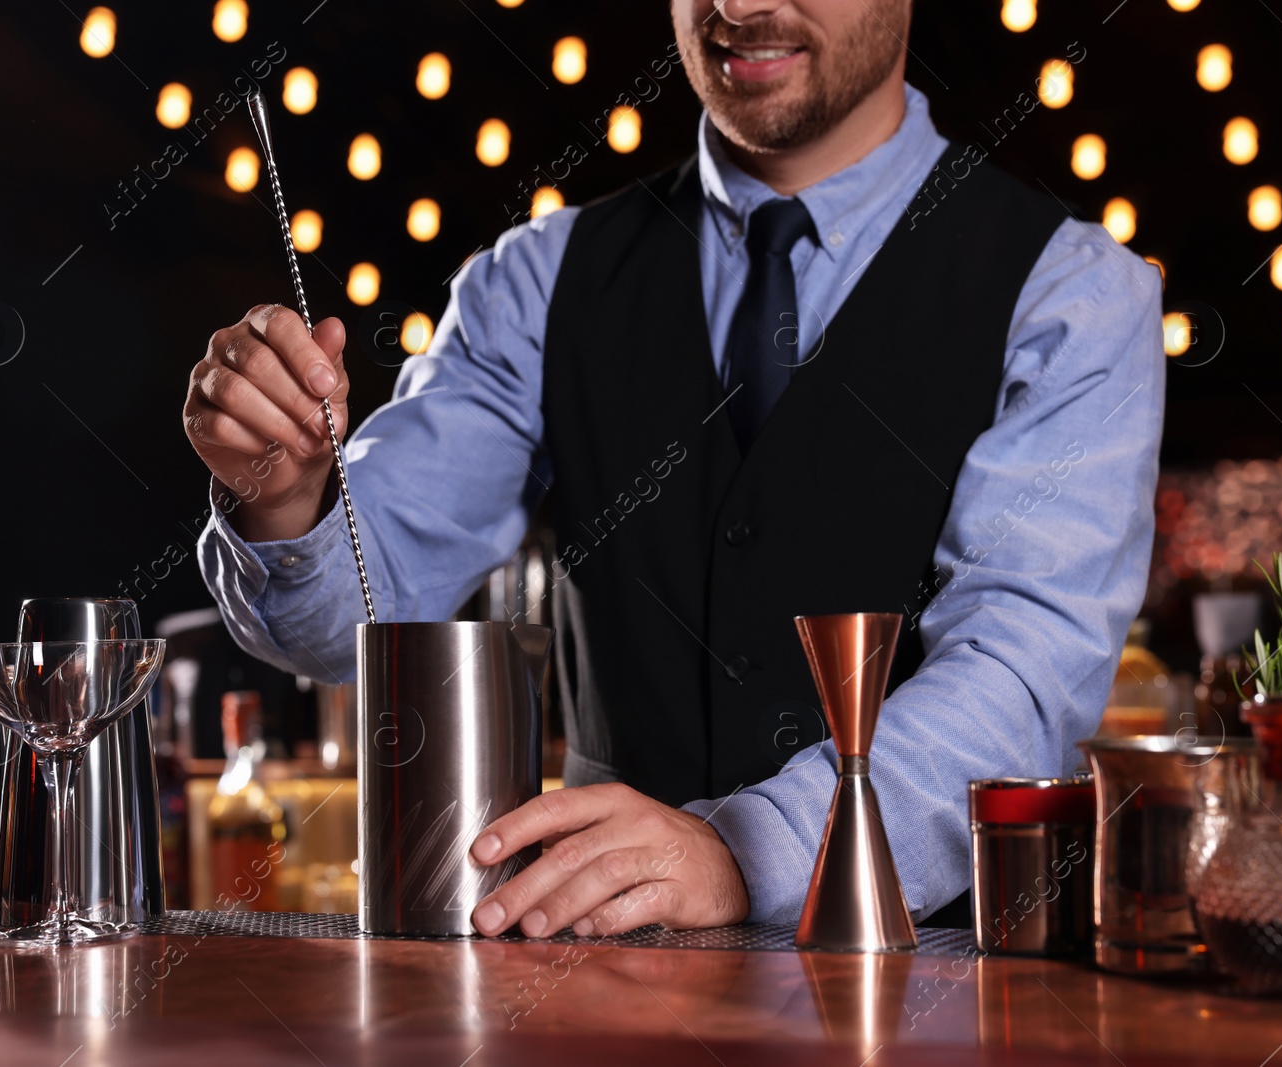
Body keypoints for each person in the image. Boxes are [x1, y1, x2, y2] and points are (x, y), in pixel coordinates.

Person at [185, 0, 1163, 939]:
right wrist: (283, 495)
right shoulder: (538, 278)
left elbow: (1024, 669)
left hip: (919, 985)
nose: (737, 7)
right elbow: (352, 619)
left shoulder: (1070, 293)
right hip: (602, 974)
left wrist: (750, 849)